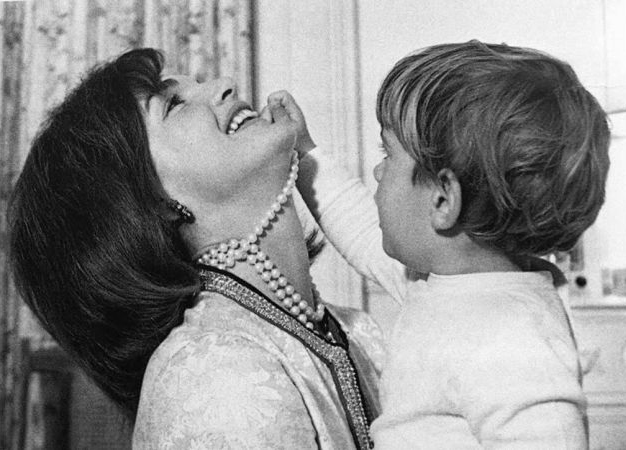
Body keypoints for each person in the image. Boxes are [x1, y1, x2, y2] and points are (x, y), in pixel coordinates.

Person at [8, 48, 384, 449]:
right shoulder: (212, 375)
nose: (226, 86)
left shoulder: (358, 333)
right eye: (174, 104)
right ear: (146, 202)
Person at [285, 40, 610, 448]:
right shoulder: (441, 278)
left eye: (390, 154)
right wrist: (305, 153)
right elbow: (363, 231)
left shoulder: (511, 335)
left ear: (443, 199)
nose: (377, 170)